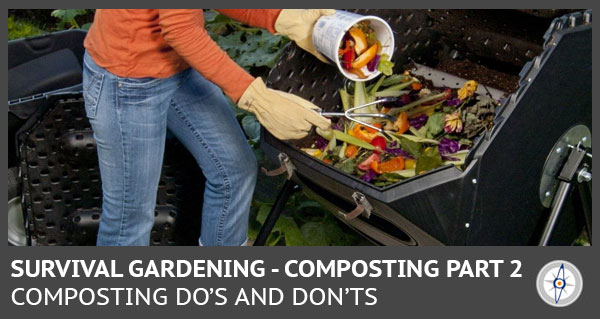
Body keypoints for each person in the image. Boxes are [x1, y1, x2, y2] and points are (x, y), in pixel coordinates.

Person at [83, 9, 333, 246]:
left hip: (178, 67)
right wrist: (258, 99)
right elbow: (180, 29)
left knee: (234, 171)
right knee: (130, 217)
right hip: (128, 84)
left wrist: (283, 18)